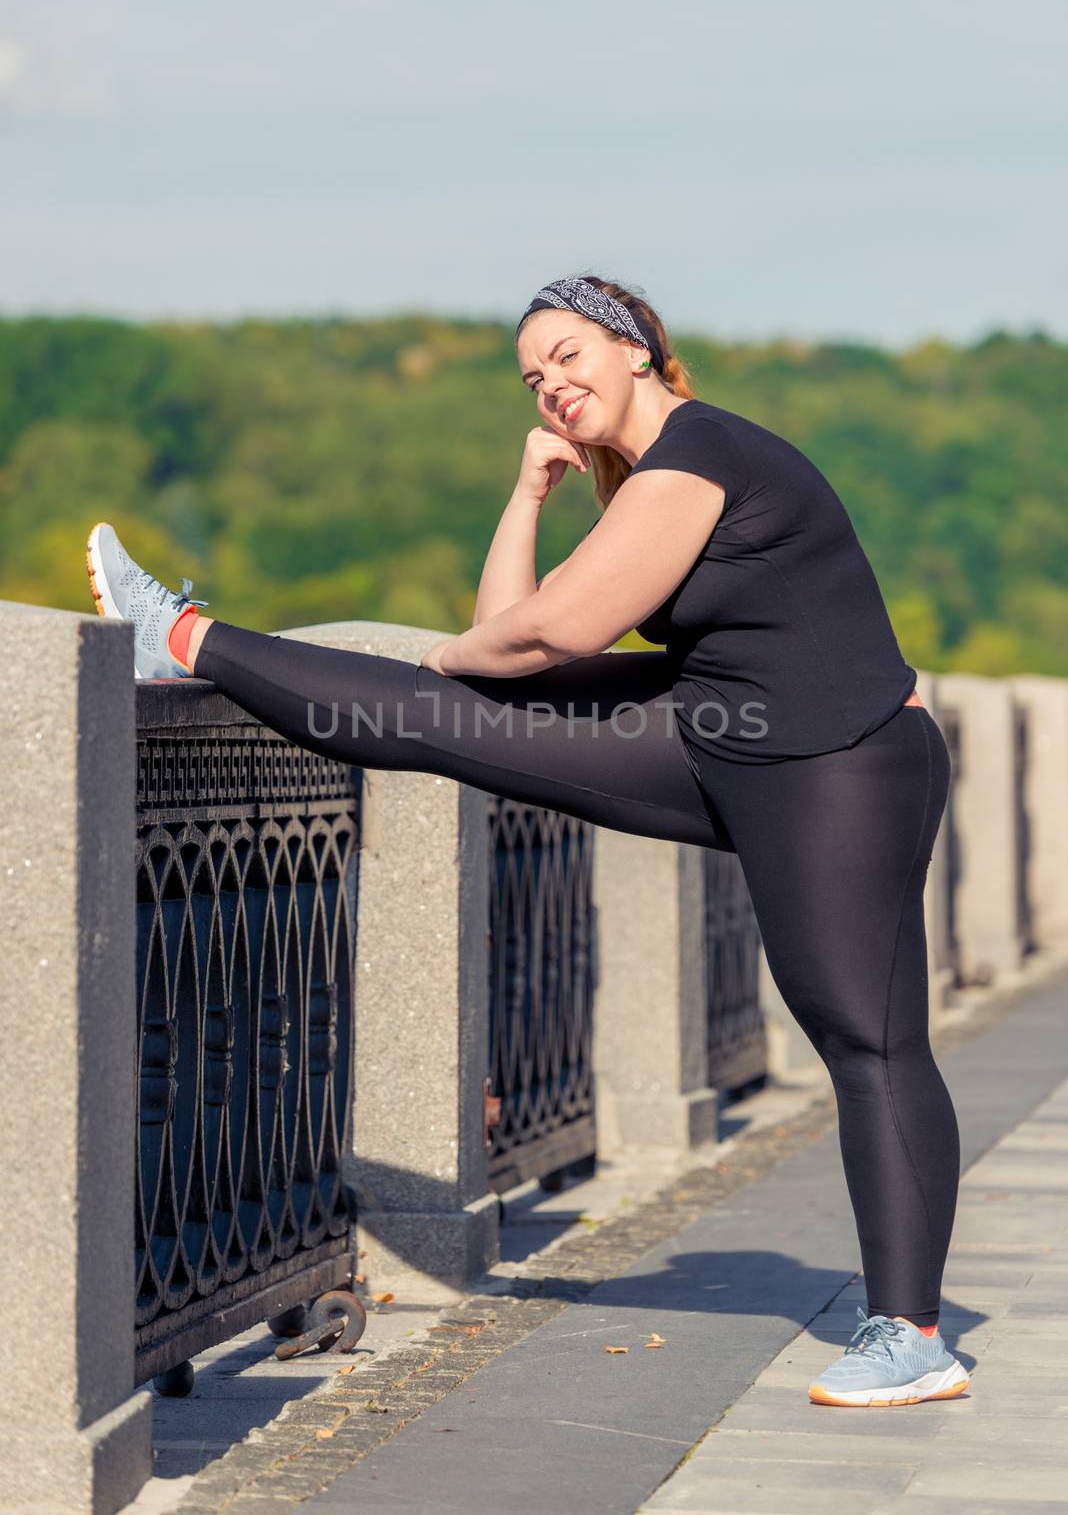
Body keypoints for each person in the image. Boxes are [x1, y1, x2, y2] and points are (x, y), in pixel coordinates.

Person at [85, 273, 968, 1408]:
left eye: (567, 354)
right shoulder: (651, 482)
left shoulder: (704, 453)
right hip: (725, 732)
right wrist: (525, 499)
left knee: (869, 1040)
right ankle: (183, 638)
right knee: (447, 725)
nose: (551, 384)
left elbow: (548, 634)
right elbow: (507, 630)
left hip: (836, 763)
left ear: (637, 347)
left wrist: (433, 674)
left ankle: (914, 1332)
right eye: (532, 375)